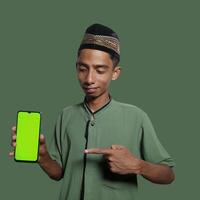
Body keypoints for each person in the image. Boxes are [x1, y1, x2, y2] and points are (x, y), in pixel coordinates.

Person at [10, 23, 175, 200]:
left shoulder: (137, 117)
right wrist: (42, 157)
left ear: (115, 73)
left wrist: (138, 165)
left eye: (100, 70)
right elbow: (58, 173)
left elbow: (168, 175)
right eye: (83, 69)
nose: (89, 79)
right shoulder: (66, 115)